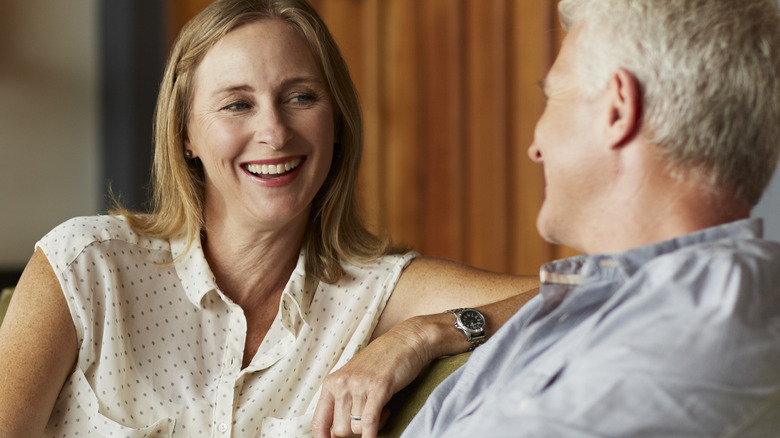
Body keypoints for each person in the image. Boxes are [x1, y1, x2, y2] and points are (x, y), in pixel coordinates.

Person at [0, 0, 538, 436]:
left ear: (337, 123)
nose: (275, 133)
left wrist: (425, 334)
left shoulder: (380, 293)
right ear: (186, 134)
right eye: (237, 104)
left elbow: (600, 290)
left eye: (300, 97)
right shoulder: (85, 268)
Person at [401, 0, 780, 436]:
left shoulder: (709, 324)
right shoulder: (581, 302)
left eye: (553, 97)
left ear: (617, 110)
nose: (535, 148)